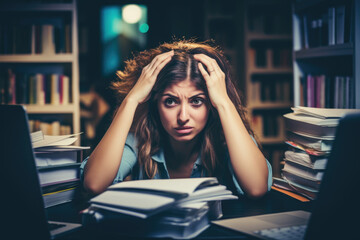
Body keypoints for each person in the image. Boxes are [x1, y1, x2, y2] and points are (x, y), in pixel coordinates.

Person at [80, 39, 272, 199]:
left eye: (196, 101)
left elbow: (257, 187)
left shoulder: (228, 139)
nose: (183, 117)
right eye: (170, 101)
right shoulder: (139, 140)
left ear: (211, 104)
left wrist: (224, 102)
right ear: (155, 103)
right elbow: (94, 184)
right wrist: (132, 99)